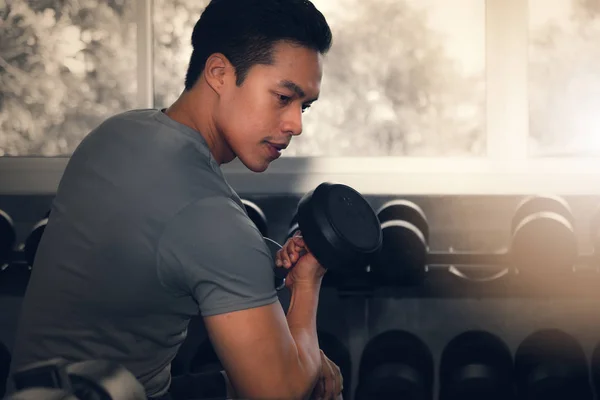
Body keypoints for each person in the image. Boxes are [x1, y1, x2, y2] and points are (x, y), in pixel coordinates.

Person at [8, 0, 344, 399]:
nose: (296, 125)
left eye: (303, 105)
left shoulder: (117, 133)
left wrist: (262, 259)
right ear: (219, 73)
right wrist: (306, 284)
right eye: (283, 98)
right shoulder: (210, 217)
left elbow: (166, 247)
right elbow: (278, 394)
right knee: (314, 386)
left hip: (36, 390)